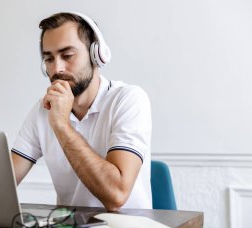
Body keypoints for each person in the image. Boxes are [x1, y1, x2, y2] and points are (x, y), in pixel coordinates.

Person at [11, 12, 152, 211]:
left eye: (67, 55)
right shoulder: (42, 110)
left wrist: (61, 125)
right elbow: (4, 182)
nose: (57, 68)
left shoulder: (129, 100)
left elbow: (116, 194)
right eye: (49, 58)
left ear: (97, 54)